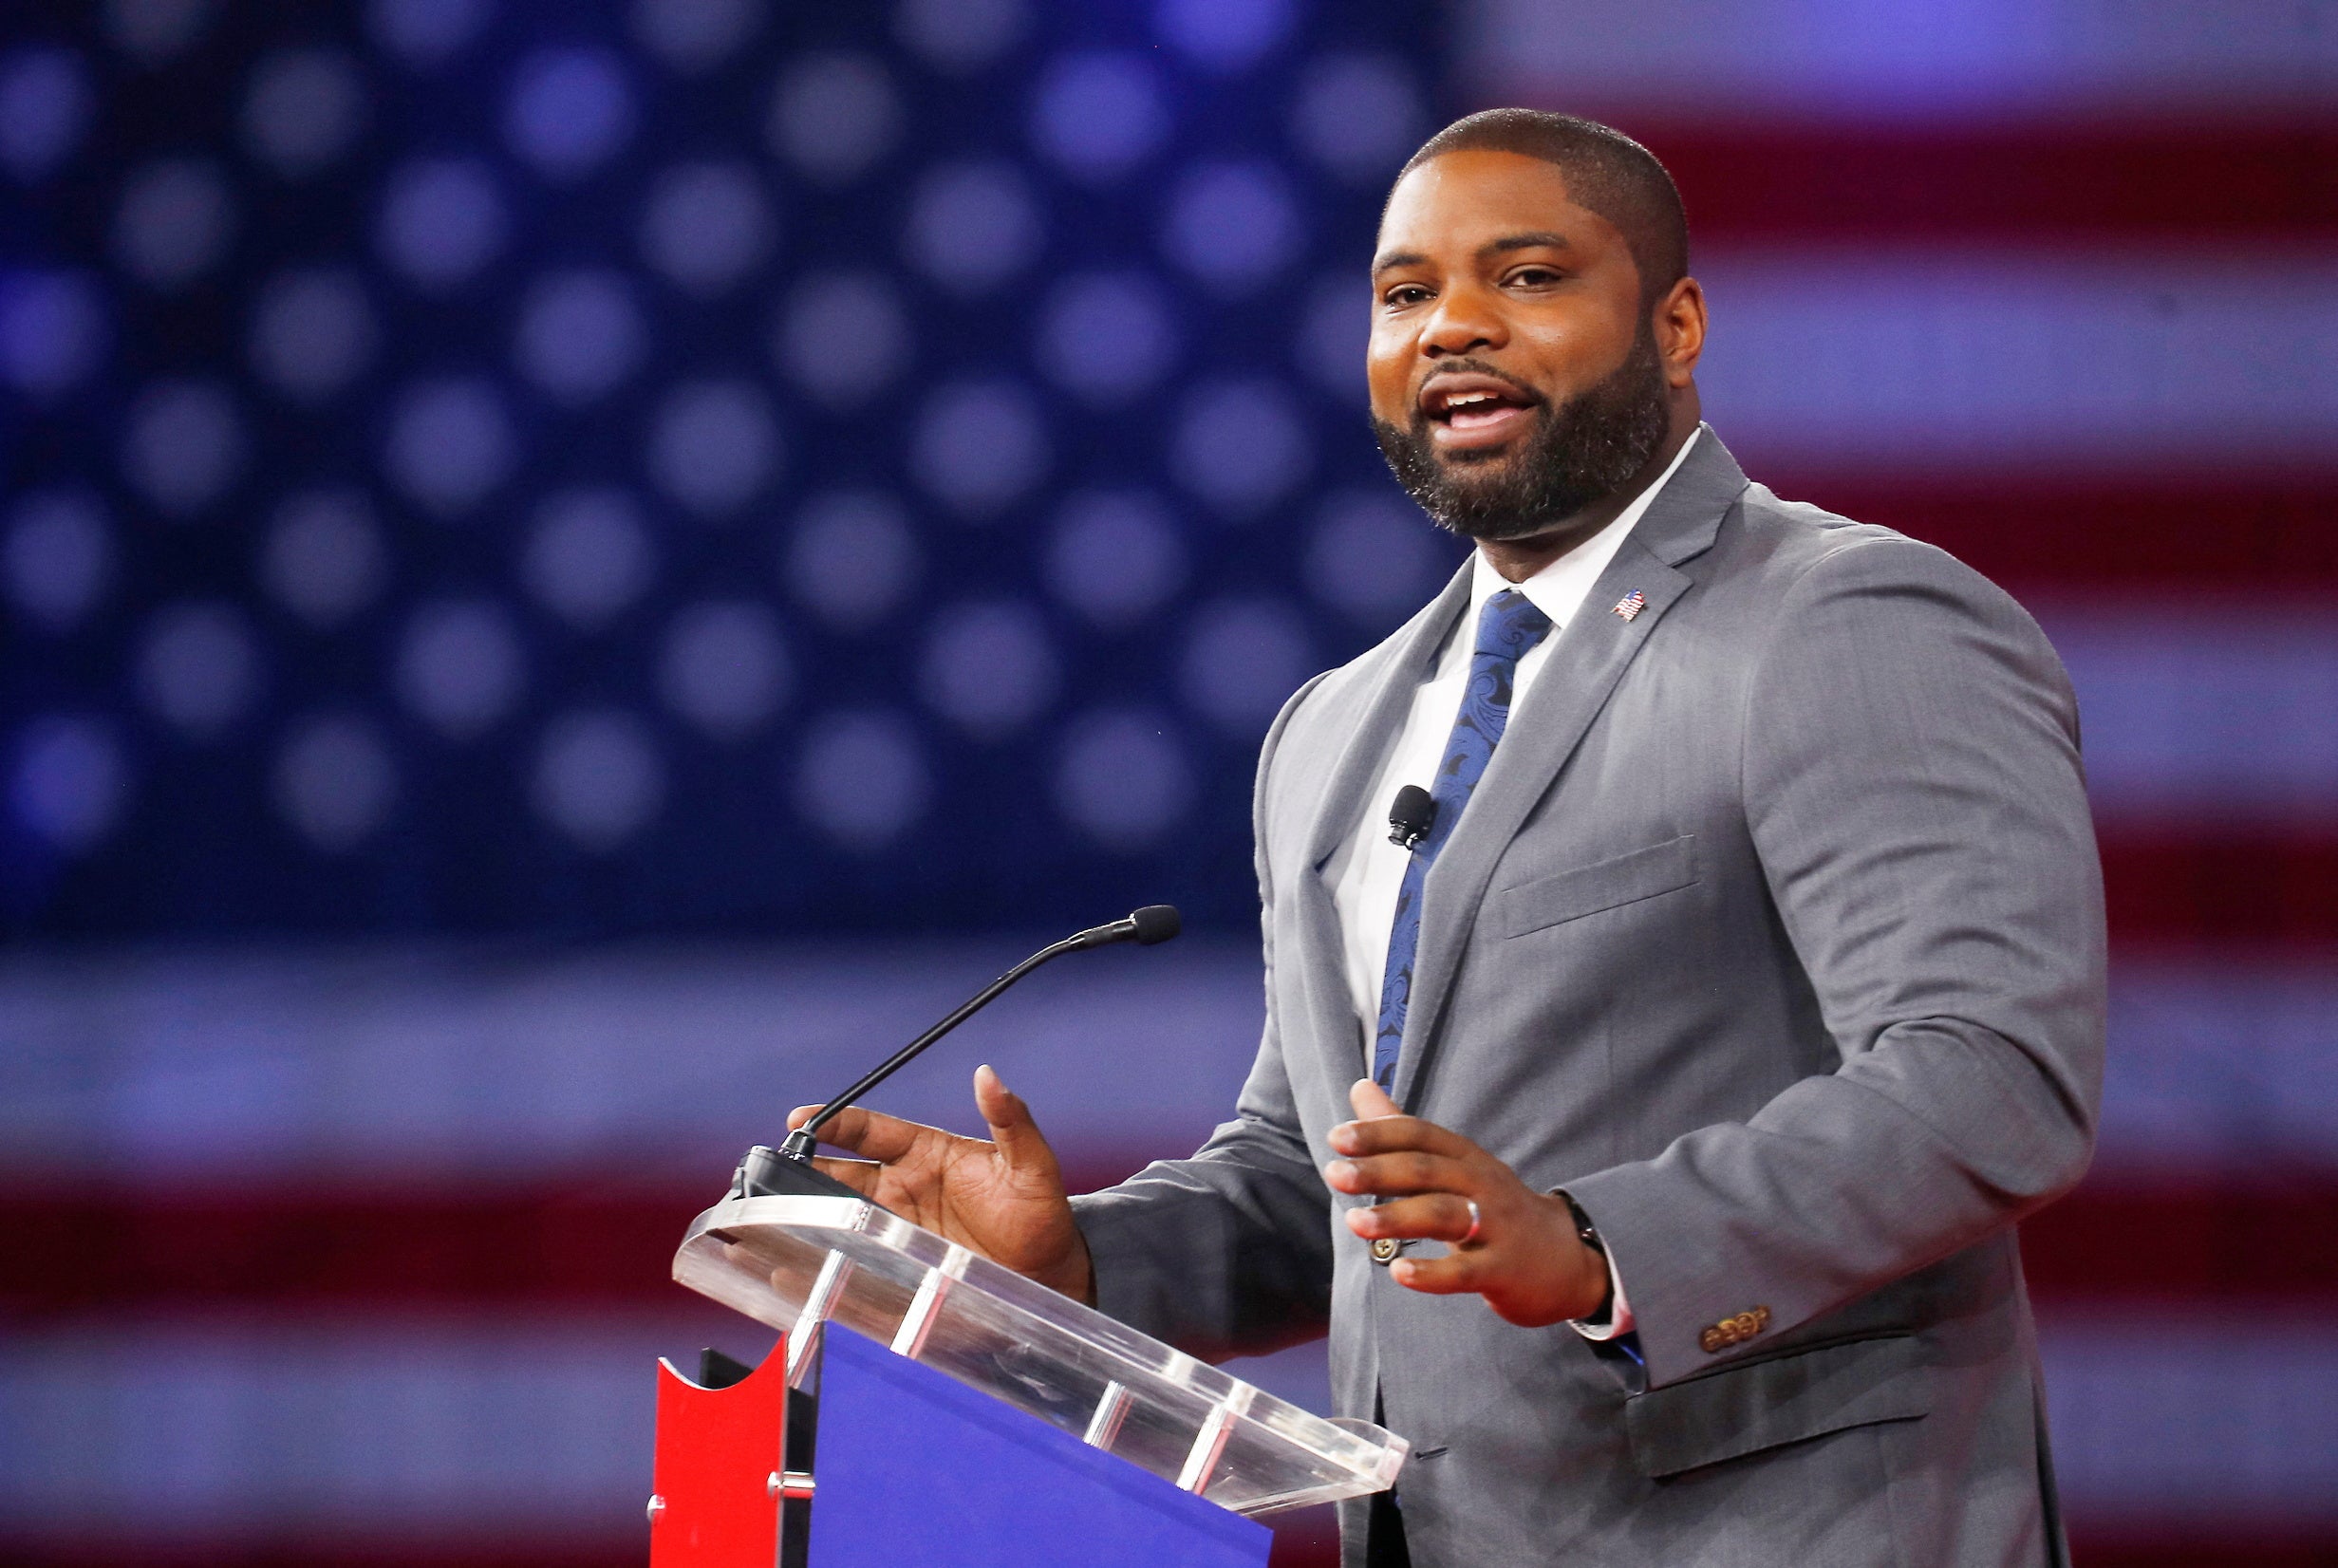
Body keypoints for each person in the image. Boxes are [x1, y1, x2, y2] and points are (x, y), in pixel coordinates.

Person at [791, 110, 2105, 1568]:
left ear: (1675, 326)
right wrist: (1075, 1258)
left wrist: (1602, 1248)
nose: (1454, 327)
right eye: (1406, 294)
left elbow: (1990, 1077)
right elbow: (1321, 1180)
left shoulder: (1841, 621)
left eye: (1528, 277)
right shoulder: (1334, 730)